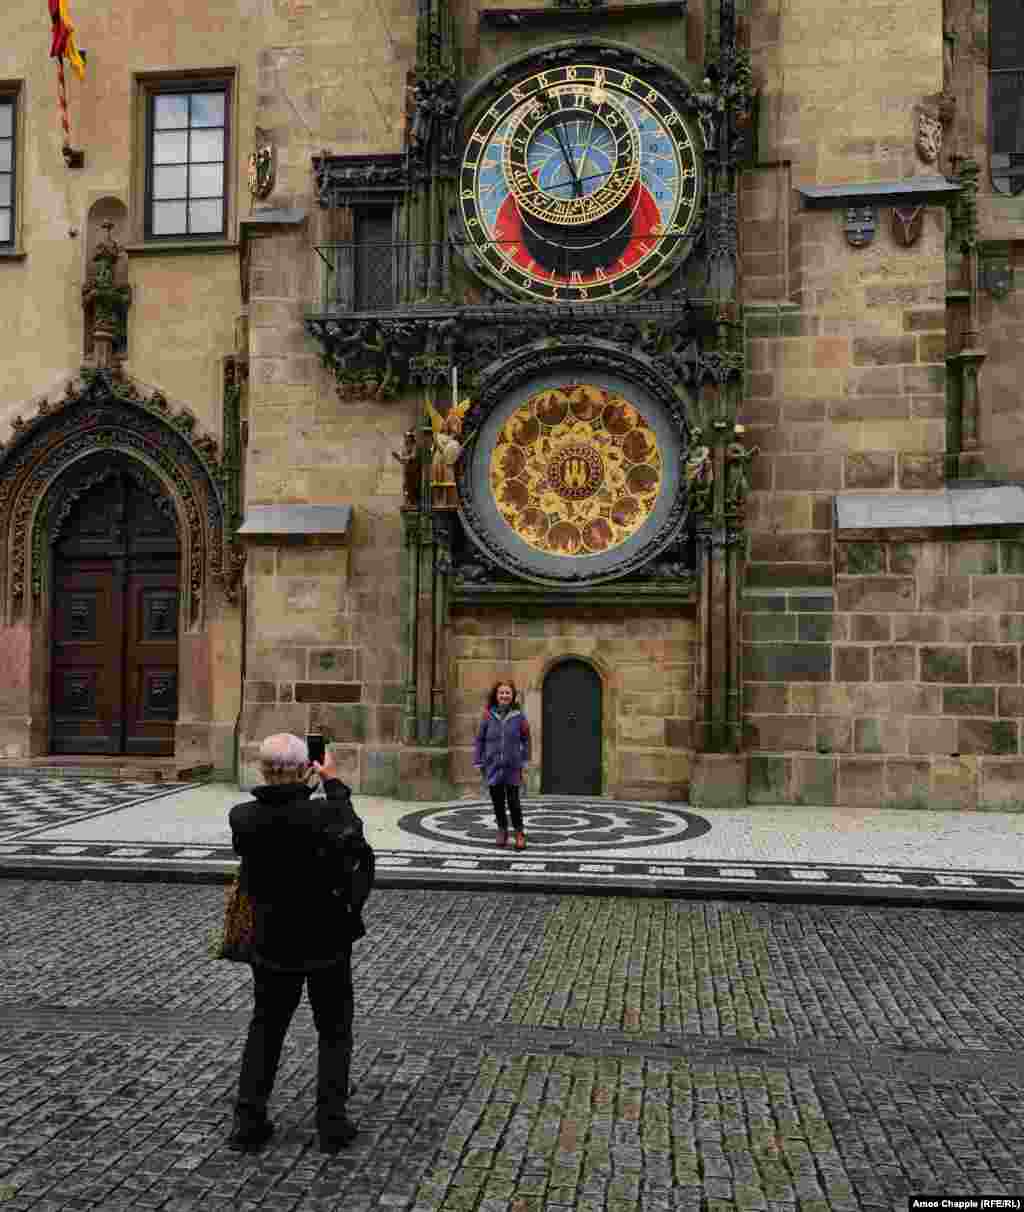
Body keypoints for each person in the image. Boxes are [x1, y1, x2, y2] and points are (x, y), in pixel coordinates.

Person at [227, 733, 371, 1155]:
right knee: (334, 1030)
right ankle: (332, 1122)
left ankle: (249, 1120)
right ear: (307, 768)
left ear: (262, 770)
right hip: (326, 938)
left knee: (266, 1028)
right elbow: (356, 839)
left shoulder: (243, 818)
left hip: (273, 941)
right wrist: (333, 783)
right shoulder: (325, 815)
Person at [473, 680, 532, 850]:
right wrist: (478, 759)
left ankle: (519, 833)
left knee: (514, 802)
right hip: (492, 765)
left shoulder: (519, 716)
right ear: (496, 696)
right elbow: (480, 739)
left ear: (512, 696)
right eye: (501, 693)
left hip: (513, 766)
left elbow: (526, 738)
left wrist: (526, 759)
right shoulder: (487, 715)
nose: (504, 695)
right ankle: (502, 830)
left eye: (507, 693)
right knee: (497, 801)